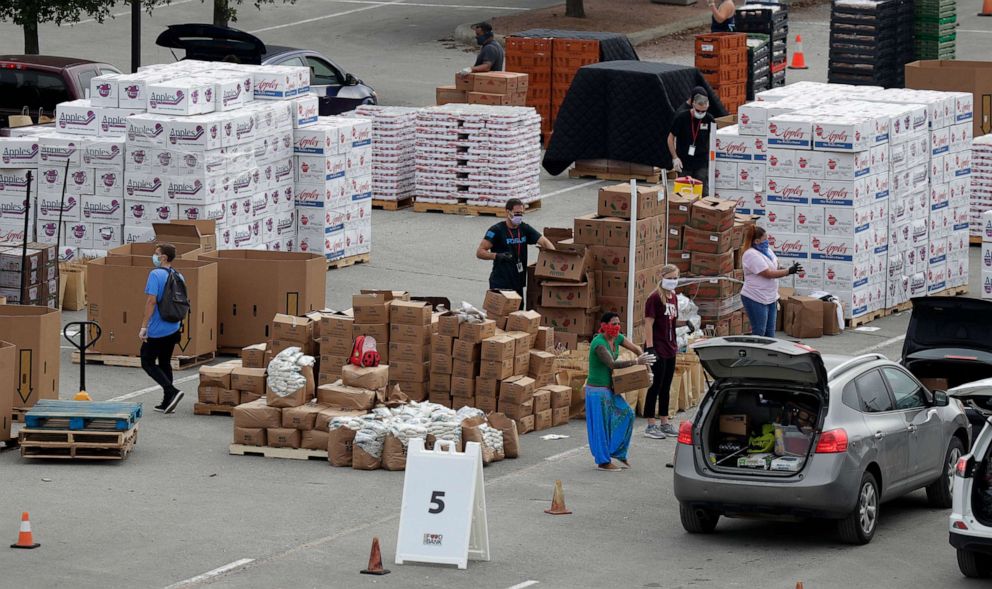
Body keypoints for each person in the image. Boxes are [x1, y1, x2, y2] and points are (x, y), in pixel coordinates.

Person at [585, 312, 656, 472]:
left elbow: (638, 349)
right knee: (601, 426)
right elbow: (611, 364)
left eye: (618, 323)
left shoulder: (617, 338)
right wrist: (636, 362)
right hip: (597, 391)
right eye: (613, 323)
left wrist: (648, 371)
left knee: (627, 414)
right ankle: (603, 461)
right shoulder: (599, 343)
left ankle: (617, 451)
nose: (617, 326)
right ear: (604, 326)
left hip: (610, 388)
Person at [476, 198, 555, 300]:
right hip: (501, 282)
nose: (519, 216)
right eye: (516, 213)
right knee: (502, 314)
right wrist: (497, 256)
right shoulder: (496, 230)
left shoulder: (524, 228)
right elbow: (480, 252)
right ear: (508, 212)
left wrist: (556, 257)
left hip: (518, 282)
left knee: (517, 314)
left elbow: (544, 242)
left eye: (521, 213)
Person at [139, 243, 185, 413]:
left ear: (164, 257)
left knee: (147, 361)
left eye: (156, 253)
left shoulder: (155, 274)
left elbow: (151, 301)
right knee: (165, 362)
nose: (154, 256)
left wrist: (144, 326)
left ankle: (171, 391)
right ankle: (168, 401)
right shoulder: (179, 275)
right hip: (174, 326)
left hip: (158, 327)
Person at [740, 227, 802, 338]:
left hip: (770, 296)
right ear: (757, 241)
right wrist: (788, 271)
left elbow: (775, 267)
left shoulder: (767, 250)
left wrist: (788, 270)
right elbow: (768, 274)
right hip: (755, 297)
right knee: (759, 331)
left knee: (770, 332)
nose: (767, 241)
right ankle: (756, 354)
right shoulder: (750, 255)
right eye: (765, 238)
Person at [643, 264, 682, 439]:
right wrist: (650, 347)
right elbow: (649, 323)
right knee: (655, 386)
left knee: (666, 386)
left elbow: (672, 322)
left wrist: (679, 336)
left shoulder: (673, 297)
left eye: (675, 278)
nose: (673, 281)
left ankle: (664, 421)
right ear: (662, 276)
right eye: (670, 278)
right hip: (657, 347)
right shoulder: (654, 298)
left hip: (670, 347)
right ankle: (651, 424)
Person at [668, 92, 715, 195]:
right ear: (693, 104)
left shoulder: (709, 119)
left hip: (701, 161)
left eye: (704, 111)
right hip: (684, 161)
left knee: (702, 191)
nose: (701, 113)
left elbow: (715, 139)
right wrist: (675, 157)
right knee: (683, 192)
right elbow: (670, 138)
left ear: (708, 106)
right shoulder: (682, 117)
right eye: (698, 110)